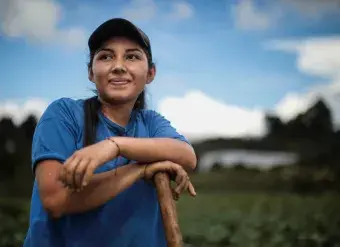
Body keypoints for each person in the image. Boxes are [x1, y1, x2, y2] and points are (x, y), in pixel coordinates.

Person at [23, 18, 197, 247]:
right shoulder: (64, 114)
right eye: (106, 56)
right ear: (90, 72)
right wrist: (141, 168)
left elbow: (187, 156)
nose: (118, 66)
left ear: (151, 73)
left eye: (132, 56)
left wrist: (114, 145)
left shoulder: (152, 123)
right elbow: (56, 200)